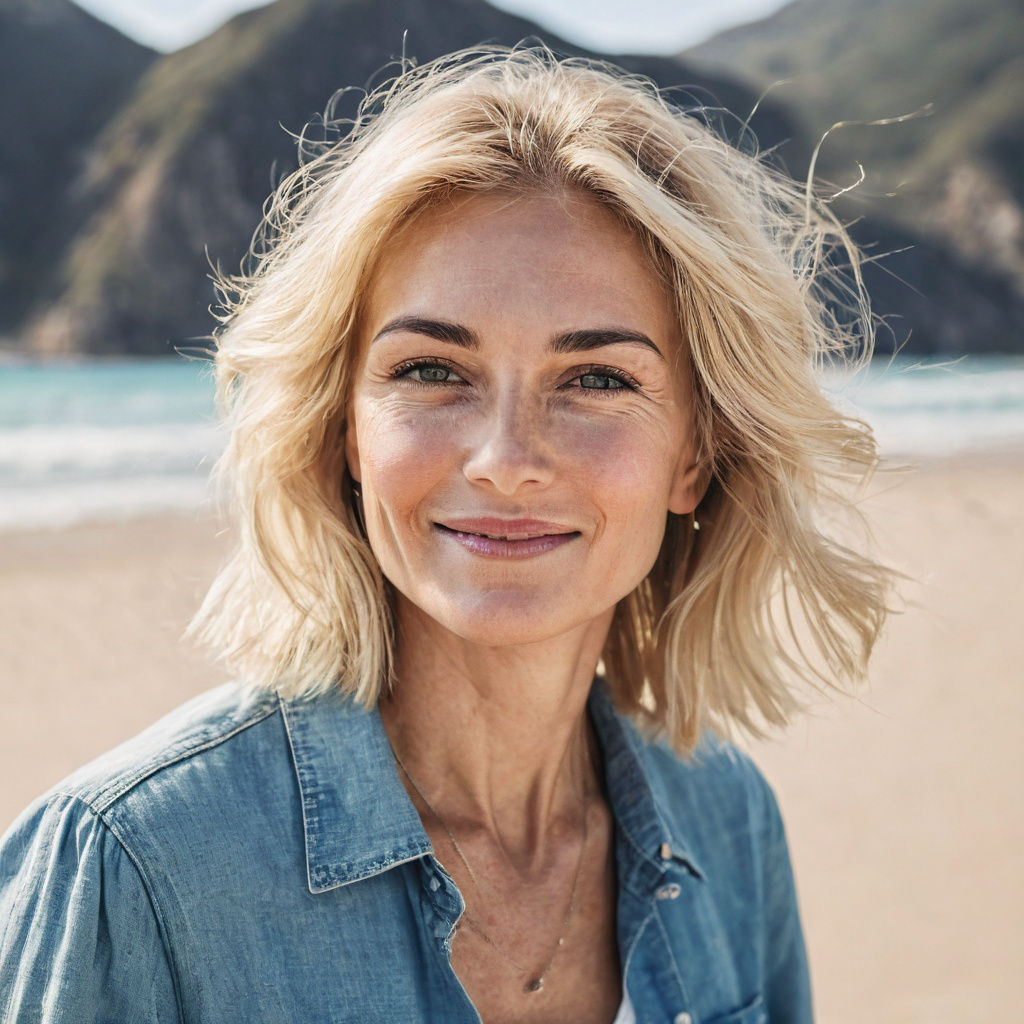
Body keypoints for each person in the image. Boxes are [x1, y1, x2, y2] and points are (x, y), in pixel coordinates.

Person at [0, 47, 891, 1023]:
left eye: (596, 379)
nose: (505, 458)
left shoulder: (728, 822)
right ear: (344, 428)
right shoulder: (135, 864)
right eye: (431, 369)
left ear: (695, 456)